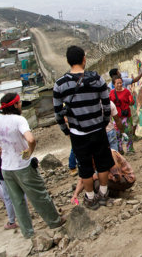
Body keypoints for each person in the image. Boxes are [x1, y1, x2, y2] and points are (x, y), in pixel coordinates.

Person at [0, 95, 64, 238]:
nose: (21, 105)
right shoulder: (19, 120)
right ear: (15, 105)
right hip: (22, 165)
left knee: (17, 201)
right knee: (39, 195)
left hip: (7, 168)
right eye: (20, 103)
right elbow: (31, 139)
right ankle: (54, 221)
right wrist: (29, 152)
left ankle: (28, 232)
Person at [53, 45, 115, 210]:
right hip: (97, 129)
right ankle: (103, 194)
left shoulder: (60, 84)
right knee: (102, 163)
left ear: (68, 61)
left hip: (78, 133)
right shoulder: (96, 78)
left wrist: (66, 131)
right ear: (84, 59)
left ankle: (90, 198)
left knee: (85, 167)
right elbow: (106, 103)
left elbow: (58, 113)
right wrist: (104, 121)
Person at [71, 149, 136, 204]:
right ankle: (109, 193)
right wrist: (75, 194)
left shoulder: (109, 154)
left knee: (98, 184)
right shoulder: (89, 160)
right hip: (112, 178)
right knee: (90, 184)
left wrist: (97, 176)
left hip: (126, 178)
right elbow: (83, 179)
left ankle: (117, 194)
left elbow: (117, 177)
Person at [109, 76, 135, 153]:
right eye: (118, 83)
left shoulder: (127, 92)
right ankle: (119, 150)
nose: (120, 85)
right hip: (116, 117)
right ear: (114, 84)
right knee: (117, 134)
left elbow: (132, 103)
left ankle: (130, 150)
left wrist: (131, 101)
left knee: (128, 132)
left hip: (126, 116)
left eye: (121, 83)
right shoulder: (112, 93)